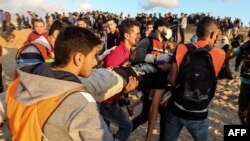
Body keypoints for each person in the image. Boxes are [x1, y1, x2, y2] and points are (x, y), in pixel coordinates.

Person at [6, 26, 115, 141]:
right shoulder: (82, 103)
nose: (94, 62)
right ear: (78, 58)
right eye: (93, 56)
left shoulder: (20, 83)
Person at [164, 17, 225, 141]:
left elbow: (172, 79)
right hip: (198, 113)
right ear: (213, 34)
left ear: (196, 33)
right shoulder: (220, 54)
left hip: (177, 108)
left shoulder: (182, 48)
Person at [101, 19, 140, 141]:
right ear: (127, 35)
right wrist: (124, 90)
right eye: (137, 33)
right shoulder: (118, 54)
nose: (139, 36)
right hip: (107, 101)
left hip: (112, 100)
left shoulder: (128, 52)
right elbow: (107, 81)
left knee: (104, 131)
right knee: (127, 126)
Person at [227, 30, 250, 124]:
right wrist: (232, 46)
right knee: (241, 111)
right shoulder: (245, 46)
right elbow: (228, 57)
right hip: (245, 82)